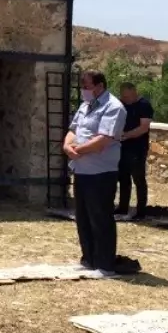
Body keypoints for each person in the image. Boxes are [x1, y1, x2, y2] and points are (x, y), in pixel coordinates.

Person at [63, 70, 127, 278]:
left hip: (101, 171)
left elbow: (104, 139)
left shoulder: (114, 107)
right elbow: (74, 129)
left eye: (87, 87)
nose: (84, 91)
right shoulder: (85, 106)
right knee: (83, 216)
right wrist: (67, 145)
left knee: (101, 217)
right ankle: (89, 258)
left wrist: (77, 150)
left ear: (100, 86)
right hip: (81, 170)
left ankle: (105, 264)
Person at [116, 82, 154, 219]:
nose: (126, 99)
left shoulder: (144, 105)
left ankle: (141, 211)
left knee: (138, 179)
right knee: (123, 178)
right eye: (124, 97)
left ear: (135, 92)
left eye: (129, 96)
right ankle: (122, 207)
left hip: (138, 147)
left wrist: (126, 135)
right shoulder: (121, 104)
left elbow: (144, 127)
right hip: (123, 147)